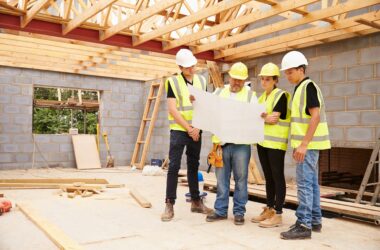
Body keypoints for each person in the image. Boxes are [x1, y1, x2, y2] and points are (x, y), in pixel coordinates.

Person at [279, 51, 331, 239]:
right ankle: (315, 220)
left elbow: (315, 116)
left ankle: (303, 224)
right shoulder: (301, 88)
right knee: (311, 184)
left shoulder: (308, 87)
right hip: (308, 145)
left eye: (290, 72)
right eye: (286, 72)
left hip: (307, 146)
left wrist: (303, 145)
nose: (287, 75)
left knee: (304, 185)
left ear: (301, 69)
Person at [161, 49, 213, 222]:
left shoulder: (201, 80)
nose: (192, 69)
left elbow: (204, 105)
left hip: (196, 129)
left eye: (193, 65)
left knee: (193, 165)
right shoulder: (172, 82)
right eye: (188, 67)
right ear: (180, 67)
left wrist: (196, 127)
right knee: (174, 166)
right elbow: (172, 109)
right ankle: (169, 204)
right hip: (179, 129)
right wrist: (188, 128)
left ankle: (196, 202)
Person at [205, 62, 257, 225]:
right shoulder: (219, 93)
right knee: (221, 179)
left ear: (244, 80)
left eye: (240, 80)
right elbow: (207, 109)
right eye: (235, 79)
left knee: (241, 179)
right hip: (221, 144)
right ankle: (220, 211)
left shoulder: (250, 96)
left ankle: (239, 212)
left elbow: (256, 118)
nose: (237, 83)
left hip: (241, 145)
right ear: (230, 78)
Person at [251, 63, 290, 228]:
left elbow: (274, 118)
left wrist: (263, 116)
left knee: (277, 176)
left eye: (268, 79)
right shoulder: (261, 98)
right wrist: (263, 117)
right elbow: (256, 117)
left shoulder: (281, 95)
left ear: (275, 80)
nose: (264, 82)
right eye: (263, 79)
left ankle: (278, 214)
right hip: (263, 142)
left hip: (276, 143)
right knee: (268, 177)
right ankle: (269, 209)